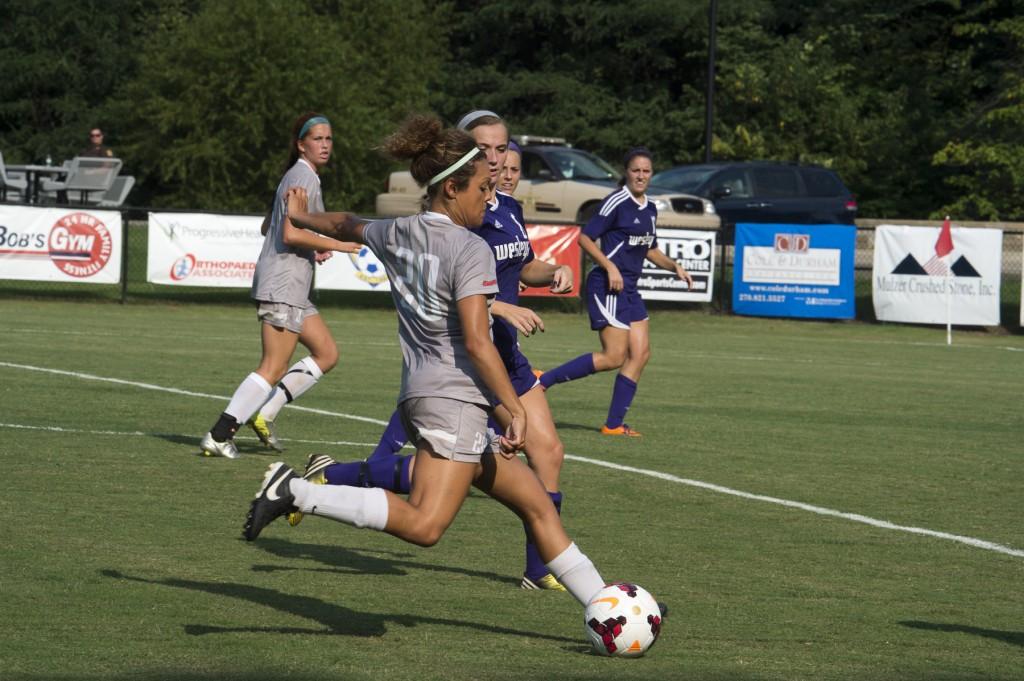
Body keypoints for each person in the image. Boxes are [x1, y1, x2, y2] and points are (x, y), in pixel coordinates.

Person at [243, 114, 607, 612]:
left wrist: (302, 218)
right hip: (454, 399)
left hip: (422, 393)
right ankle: (300, 492)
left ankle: (605, 604)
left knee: (538, 504)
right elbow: (479, 344)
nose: (490, 192)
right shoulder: (470, 247)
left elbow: (346, 222)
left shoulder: (399, 232)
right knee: (426, 525)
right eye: (481, 186)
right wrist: (515, 408)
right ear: (452, 189)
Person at [199, 112, 357, 459]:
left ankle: (264, 414)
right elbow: (287, 232)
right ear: (302, 144)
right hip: (283, 284)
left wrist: (312, 244)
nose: (325, 145)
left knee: (327, 353)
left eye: (329, 139)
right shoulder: (302, 177)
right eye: (317, 139)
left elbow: (268, 227)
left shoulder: (299, 177)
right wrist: (337, 244)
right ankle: (219, 434)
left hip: (293, 285)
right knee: (273, 366)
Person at [538, 147, 693, 437]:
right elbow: (585, 238)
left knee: (641, 353)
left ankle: (613, 424)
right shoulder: (616, 201)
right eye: (636, 170)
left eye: (646, 171)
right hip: (607, 285)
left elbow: (649, 248)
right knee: (614, 356)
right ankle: (543, 379)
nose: (641, 176)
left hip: (630, 289)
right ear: (626, 172)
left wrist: (675, 267)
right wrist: (609, 267)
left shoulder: (649, 207)